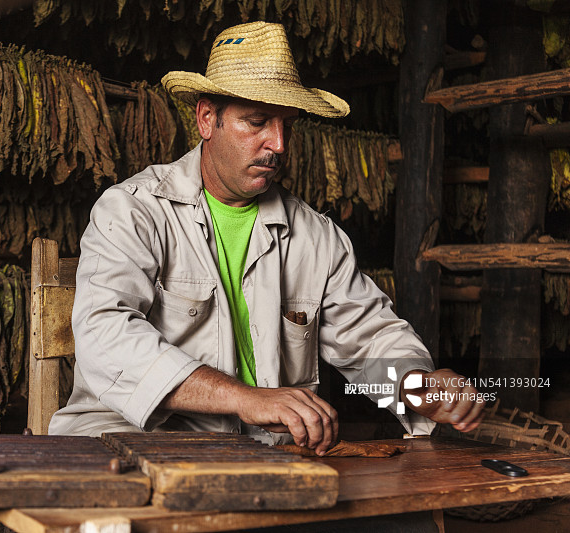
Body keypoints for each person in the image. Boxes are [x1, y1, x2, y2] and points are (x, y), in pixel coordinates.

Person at [49, 21, 485, 454]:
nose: (277, 143)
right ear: (206, 119)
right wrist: (244, 397)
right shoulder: (133, 211)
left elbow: (369, 337)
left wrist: (416, 385)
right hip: (122, 443)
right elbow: (105, 334)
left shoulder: (316, 237)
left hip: (259, 454)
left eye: (286, 125)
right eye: (257, 122)